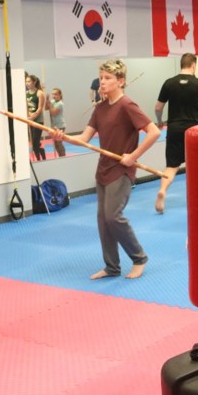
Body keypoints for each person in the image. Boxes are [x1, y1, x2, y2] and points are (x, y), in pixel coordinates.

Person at [55, 59, 160, 280]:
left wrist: (133, 156)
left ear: (120, 81)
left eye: (107, 78)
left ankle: (139, 258)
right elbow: (84, 138)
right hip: (103, 169)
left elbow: (154, 132)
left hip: (121, 171)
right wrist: (62, 137)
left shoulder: (127, 105)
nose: (102, 82)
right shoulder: (100, 108)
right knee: (103, 221)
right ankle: (112, 267)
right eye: (101, 78)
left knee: (113, 216)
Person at [153, 53, 198, 214]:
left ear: (181, 64)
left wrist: (159, 121)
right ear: (193, 65)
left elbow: (158, 108)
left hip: (174, 128)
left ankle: (163, 190)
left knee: (171, 166)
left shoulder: (169, 83)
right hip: (194, 132)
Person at [25, 75, 46, 161]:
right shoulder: (26, 94)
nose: (27, 83)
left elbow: (40, 108)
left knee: (35, 142)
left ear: (34, 82)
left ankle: (39, 159)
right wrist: (29, 114)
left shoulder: (39, 93)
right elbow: (26, 107)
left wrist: (34, 116)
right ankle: (40, 154)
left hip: (38, 121)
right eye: (26, 81)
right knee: (34, 143)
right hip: (29, 119)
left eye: (29, 81)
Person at [48, 87, 67, 157]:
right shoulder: (52, 101)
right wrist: (47, 100)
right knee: (56, 144)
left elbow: (53, 113)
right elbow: (46, 108)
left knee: (59, 143)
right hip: (54, 125)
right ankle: (60, 156)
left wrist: (49, 104)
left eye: (56, 94)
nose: (54, 96)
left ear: (60, 95)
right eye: (52, 94)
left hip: (60, 125)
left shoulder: (60, 104)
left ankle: (63, 157)